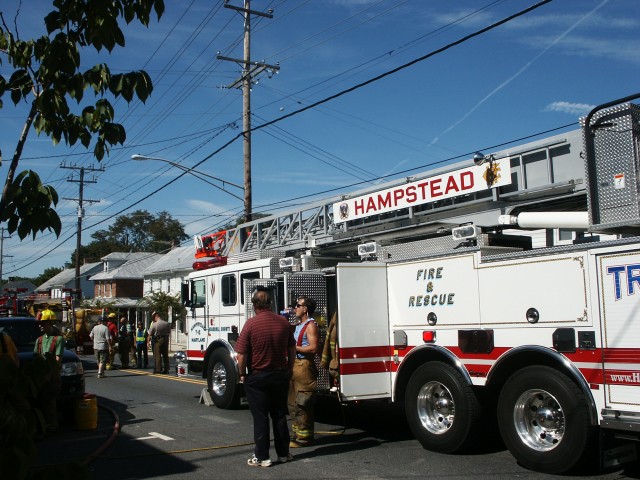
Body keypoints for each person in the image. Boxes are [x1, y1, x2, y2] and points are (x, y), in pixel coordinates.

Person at [236, 289, 296, 467]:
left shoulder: (251, 324)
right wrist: (289, 368)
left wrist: (242, 373)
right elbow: (291, 348)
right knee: (279, 415)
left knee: (261, 417)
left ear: (255, 305)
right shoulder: (283, 322)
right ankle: (284, 453)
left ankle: (262, 456)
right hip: (279, 374)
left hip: (258, 376)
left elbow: (241, 354)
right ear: (270, 303)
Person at [288, 295, 320, 448]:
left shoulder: (311, 325)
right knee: (293, 403)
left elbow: (313, 348)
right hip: (295, 365)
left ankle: (304, 438)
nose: (295, 308)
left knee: (303, 403)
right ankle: (297, 434)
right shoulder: (299, 325)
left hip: (304, 367)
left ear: (305, 309)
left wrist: (294, 349)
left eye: (297, 305)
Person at [33, 315, 65, 434]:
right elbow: (36, 358)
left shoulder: (58, 339)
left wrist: (49, 375)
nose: (40, 326)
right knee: (40, 401)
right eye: (40, 324)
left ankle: (52, 426)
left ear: (50, 324)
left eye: (43, 323)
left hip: (52, 377)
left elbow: (58, 360)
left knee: (50, 401)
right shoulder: (39, 340)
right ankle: (42, 425)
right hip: (40, 376)